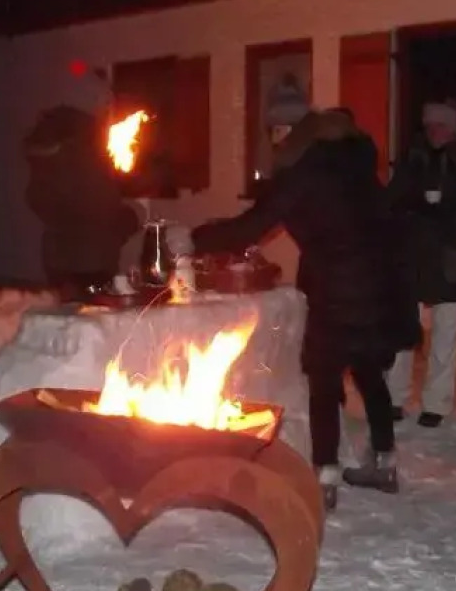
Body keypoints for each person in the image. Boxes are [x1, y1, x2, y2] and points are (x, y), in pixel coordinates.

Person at [172, 109, 419, 509]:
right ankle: (385, 462)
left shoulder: (306, 173)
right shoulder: (359, 170)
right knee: (369, 370)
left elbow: (251, 227)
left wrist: (195, 238)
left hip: (336, 291)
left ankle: (325, 474)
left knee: (323, 379)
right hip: (378, 288)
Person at [386, 99, 456, 427]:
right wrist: (415, 204)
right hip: (412, 251)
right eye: (430, 124)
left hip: (450, 253)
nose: (435, 131)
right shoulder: (412, 158)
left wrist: (450, 207)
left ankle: (437, 403)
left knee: (446, 331)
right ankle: (393, 398)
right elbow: (392, 200)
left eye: (441, 125)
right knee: (403, 328)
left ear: (453, 128)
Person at [23, 105, 141, 301]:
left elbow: (36, 200)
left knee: (66, 313)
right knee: (90, 316)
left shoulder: (45, 165)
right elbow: (101, 207)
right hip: (92, 259)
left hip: (59, 257)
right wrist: (131, 217)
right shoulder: (84, 164)